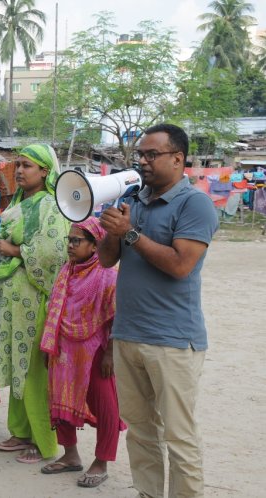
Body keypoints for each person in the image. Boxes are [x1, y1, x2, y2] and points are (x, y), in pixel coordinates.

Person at [98, 123, 218, 498]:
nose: (143, 162)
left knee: (179, 435)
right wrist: (114, 232)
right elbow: (105, 260)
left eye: (152, 155)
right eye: (140, 155)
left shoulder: (194, 203)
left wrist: (131, 233)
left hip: (172, 340)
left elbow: (181, 264)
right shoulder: (133, 198)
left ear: (178, 159)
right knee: (141, 430)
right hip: (129, 334)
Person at [0, 143, 70, 464]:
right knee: (18, 364)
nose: (20, 170)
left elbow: (54, 252)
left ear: (46, 172)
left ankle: (43, 441)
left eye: (27, 165)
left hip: (38, 300)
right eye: (18, 165)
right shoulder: (21, 202)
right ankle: (20, 431)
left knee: (36, 371)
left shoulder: (52, 205)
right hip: (13, 300)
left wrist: (14, 251)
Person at [39, 217, 125, 488]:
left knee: (105, 404)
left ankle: (101, 461)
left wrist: (110, 354)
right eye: (69, 240)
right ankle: (70, 456)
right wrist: (49, 343)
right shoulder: (67, 271)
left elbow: (116, 317)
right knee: (60, 398)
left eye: (77, 241)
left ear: (95, 244)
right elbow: (56, 309)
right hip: (63, 349)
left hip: (95, 350)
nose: (71, 246)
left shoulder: (107, 275)